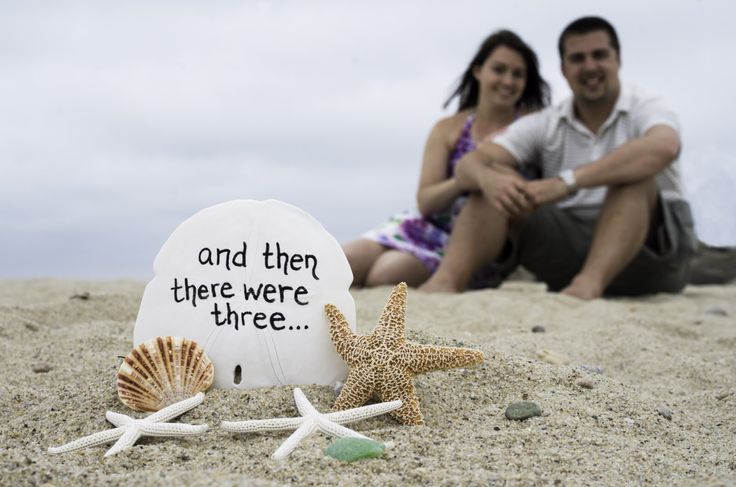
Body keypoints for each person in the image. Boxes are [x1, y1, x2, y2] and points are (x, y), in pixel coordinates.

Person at [420, 16, 698, 299]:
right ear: (564, 69)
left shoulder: (646, 105)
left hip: (652, 259)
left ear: (618, 60)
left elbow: (664, 147)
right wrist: (489, 179)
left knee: (635, 177)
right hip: (567, 254)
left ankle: (587, 286)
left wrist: (566, 182)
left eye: (599, 55)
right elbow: (471, 162)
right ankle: (444, 283)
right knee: (496, 183)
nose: (590, 67)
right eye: (578, 59)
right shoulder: (547, 122)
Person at [344, 30, 550, 287]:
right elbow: (426, 201)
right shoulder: (449, 128)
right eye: (499, 70)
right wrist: (463, 181)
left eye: (517, 74)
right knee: (345, 260)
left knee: (385, 275)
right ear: (478, 71)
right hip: (420, 225)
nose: (508, 81)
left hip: (472, 242)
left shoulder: (535, 127)